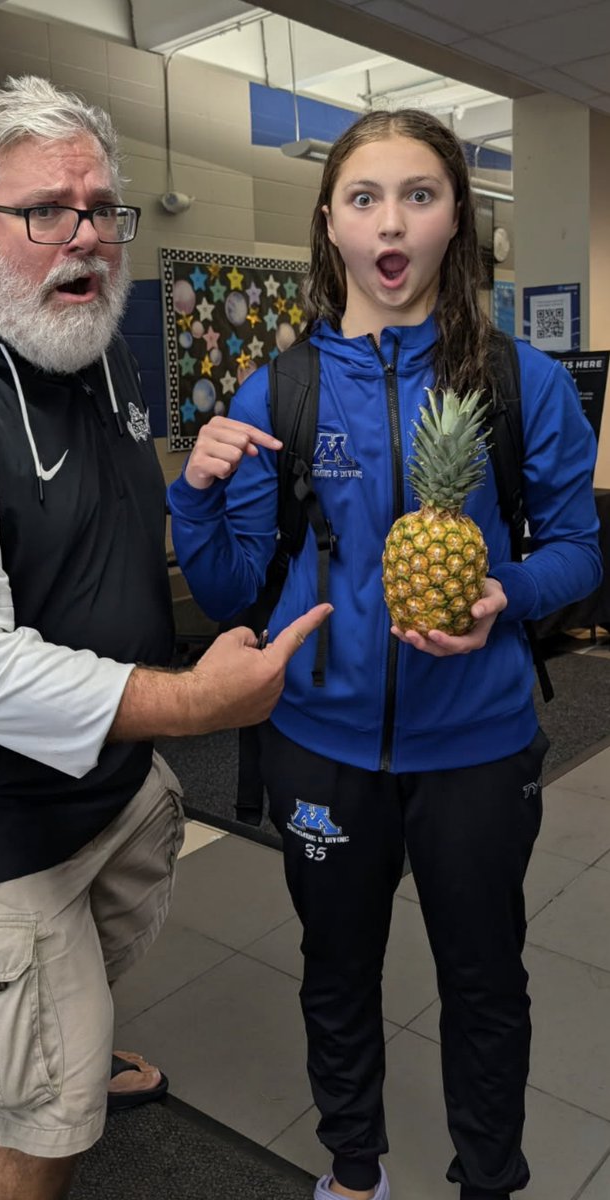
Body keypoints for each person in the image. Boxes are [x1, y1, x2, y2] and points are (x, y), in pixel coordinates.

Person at [0, 75, 330, 1200]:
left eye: (104, 209)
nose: (88, 238)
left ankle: (75, 1042)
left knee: (76, 994)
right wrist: (198, 708)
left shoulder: (88, 347)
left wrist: (196, 478)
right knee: (36, 1124)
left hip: (100, 785)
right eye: (45, 211)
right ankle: (42, 1103)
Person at [167, 109, 602, 1200]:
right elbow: (231, 593)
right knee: (336, 970)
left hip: (479, 746)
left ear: (459, 216)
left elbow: (582, 551)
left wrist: (505, 597)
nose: (392, 221)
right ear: (331, 223)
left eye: (421, 193)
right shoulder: (283, 391)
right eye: (365, 198)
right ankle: (352, 1171)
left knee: (486, 981)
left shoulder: (522, 382)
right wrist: (194, 489)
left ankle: (489, 1180)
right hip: (322, 743)